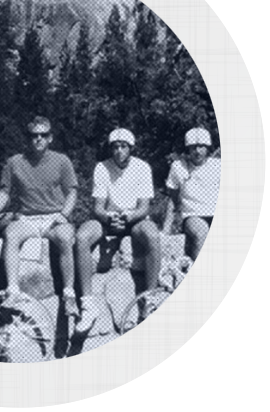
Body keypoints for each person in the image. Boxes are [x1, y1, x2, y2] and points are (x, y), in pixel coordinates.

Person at [0, 116, 79, 317]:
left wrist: (64, 214)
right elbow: (4, 192)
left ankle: (69, 294)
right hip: (26, 217)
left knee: (65, 238)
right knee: (10, 235)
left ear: (50, 138)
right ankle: (12, 291)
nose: (38, 139)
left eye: (43, 135)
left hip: (54, 215)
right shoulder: (15, 162)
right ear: (27, 138)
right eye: (33, 135)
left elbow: (72, 192)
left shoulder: (61, 161)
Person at [75, 128, 161, 332]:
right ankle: (88, 303)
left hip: (134, 219)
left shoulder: (142, 167)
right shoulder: (102, 168)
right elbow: (97, 207)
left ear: (130, 148)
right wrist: (109, 217)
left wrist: (128, 217)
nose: (118, 151)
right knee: (81, 236)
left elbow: (144, 207)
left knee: (152, 235)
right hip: (108, 219)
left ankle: (149, 298)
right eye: (115, 147)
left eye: (123, 146)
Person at [164, 127, 220, 261]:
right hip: (193, 215)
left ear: (207, 148)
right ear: (188, 149)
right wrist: (166, 228)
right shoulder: (178, 167)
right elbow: (173, 200)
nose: (197, 151)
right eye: (193, 147)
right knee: (201, 233)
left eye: (201, 147)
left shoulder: (218, 165)